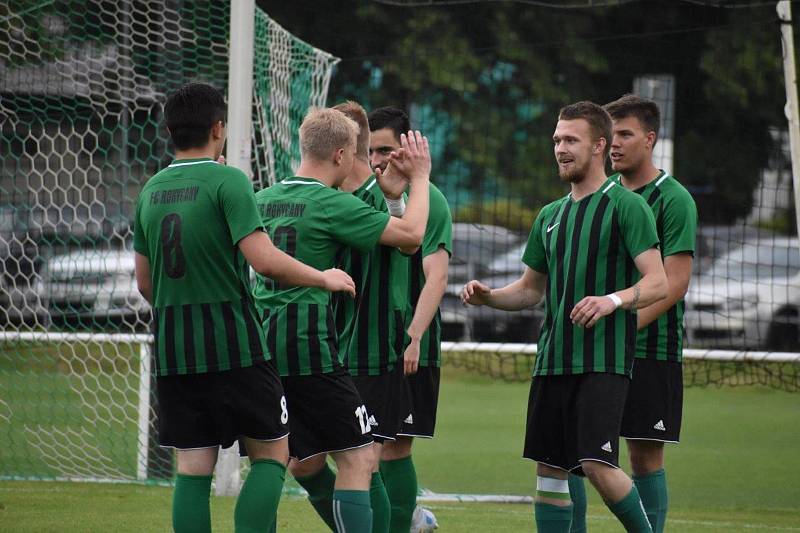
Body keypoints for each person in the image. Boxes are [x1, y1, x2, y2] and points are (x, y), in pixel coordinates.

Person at [132, 82, 356, 532]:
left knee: (193, 467)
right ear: (218, 128)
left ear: (170, 131)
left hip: (175, 348)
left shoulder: (150, 191)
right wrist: (322, 276)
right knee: (273, 452)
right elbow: (264, 260)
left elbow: (145, 283)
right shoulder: (228, 179)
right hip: (235, 344)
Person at [461, 101, 668, 533]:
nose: (560, 148)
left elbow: (659, 283)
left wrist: (611, 300)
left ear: (598, 146)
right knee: (550, 471)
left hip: (602, 362)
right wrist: (489, 297)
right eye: (556, 140)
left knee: (595, 463)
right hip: (552, 362)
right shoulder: (549, 216)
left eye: (570, 139)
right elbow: (530, 290)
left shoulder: (626, 207)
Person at [252, 106, 431, 533]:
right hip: (310, 345)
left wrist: (382, 192)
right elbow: (410, 236)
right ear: (339, 155)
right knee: (360, 456)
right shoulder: (329, 203)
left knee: (275, 462)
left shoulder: (261, 199)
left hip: (260, 348)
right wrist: (420, 179)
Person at [599, 94, 694, 533]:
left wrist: (621, 325)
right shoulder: (600, 195)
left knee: (643, 453)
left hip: (649, 349)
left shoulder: (673, 199)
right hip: (596, 349)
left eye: (625, 134)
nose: (614, 143)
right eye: (610, 134)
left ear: (650, 139)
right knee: (580, 451)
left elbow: (673, 283)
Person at [369, 106, 452, 533]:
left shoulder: (429, 199)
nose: (378, 160)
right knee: (360, 449)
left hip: (407, 347)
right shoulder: (368, 195)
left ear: (407, 148)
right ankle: (408, 518)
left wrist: (415, 336)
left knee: (393, 449)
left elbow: (435, 275)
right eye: (371, 151)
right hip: (366, 345)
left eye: (385, 149)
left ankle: (405, 521)